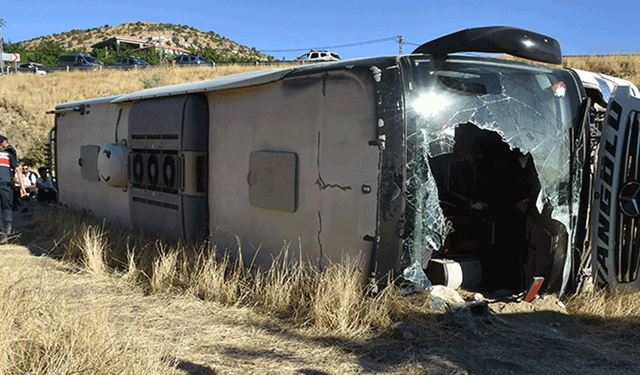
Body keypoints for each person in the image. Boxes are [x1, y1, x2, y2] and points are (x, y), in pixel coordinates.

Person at [0, 135, 25, 240]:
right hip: (6, 185)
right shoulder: (8, 155)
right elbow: (19, 170)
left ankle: (1, 233)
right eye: (5, 142)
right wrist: (22, 187)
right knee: (7, 207)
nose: (7, 144)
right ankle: (8, 228)